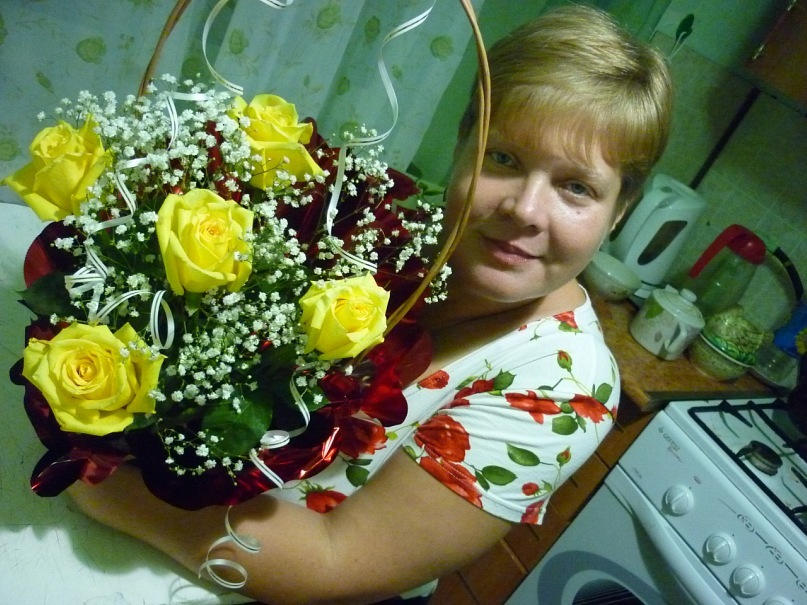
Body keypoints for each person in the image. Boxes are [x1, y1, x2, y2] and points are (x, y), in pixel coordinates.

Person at [67, 5, 672, 604]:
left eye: (576, 187)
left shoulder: (563, 390)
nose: (525, 210)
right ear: (464, 144)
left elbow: (335, 562)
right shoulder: (398, 229)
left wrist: (101, 486)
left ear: (619, 210)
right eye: (503, 158)